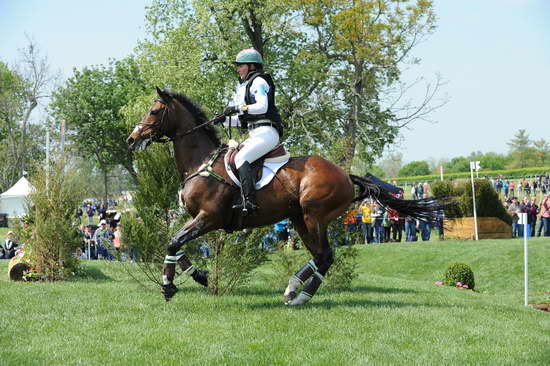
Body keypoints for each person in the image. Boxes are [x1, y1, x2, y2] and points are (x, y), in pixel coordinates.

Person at [215, 48, 283, 216]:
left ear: (252, 66)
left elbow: (262, 106)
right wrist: (224, 119)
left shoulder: (259, 81)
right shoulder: (246, 85)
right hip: (256, 133)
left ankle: (250, 201)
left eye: (240, 66)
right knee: (231, 157)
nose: (238, 69)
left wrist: (237, 107)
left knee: (241, 157)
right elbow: (243, 120)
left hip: (267, 132)